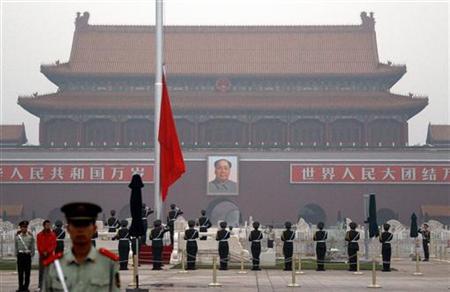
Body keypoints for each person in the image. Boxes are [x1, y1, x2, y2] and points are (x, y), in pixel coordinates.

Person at [43, 202, 120, 291]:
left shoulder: (108, 264)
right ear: (68, 229)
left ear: (94, 229)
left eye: (85, 225)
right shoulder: (54, 266)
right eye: (76, 225)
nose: (80, 230)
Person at [15, 220, 35, 292]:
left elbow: (32, 247)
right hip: (20, 256)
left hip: (27, 256)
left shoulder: (30, 236)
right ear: (20, 228)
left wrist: (31, 255)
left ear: (27, 228)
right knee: (20, 273)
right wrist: (16, 255)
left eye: (25, 227)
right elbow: (16, 246)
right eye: (23, 227)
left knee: (27, 273)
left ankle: (26, 287)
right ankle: (20, 287)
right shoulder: (17, 237)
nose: (24, 228)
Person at [37, 219, 56, 290]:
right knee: (41, 271)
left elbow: (53, 245)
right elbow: (39, 245)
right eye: (47, 225)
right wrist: (43, 252)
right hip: (42, 256)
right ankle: (40, 285)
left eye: (49, 225)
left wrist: (48, 251)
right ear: (44, 226)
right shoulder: (39, 235)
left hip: (50, 255)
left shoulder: (53, 235)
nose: (48, 226)